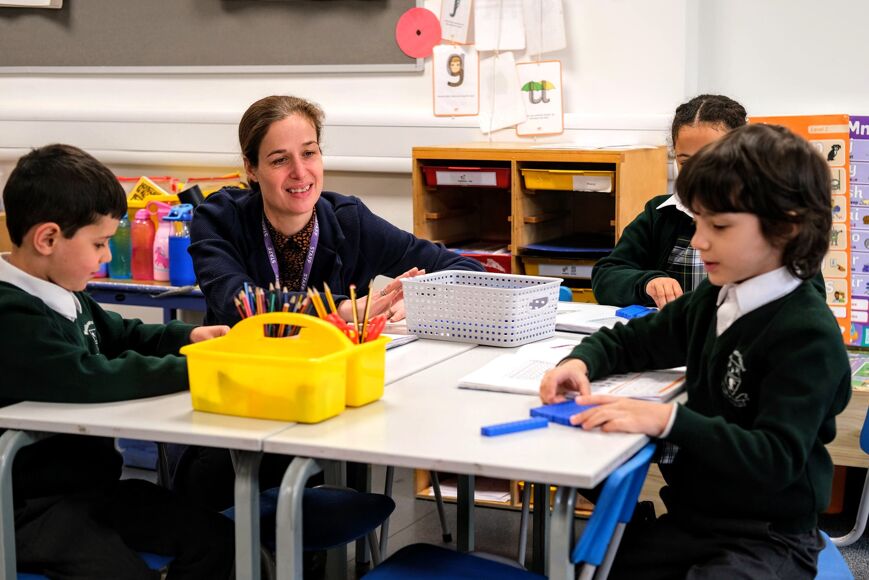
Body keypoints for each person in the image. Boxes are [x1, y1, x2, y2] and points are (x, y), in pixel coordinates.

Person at [540, 124, 850, 579]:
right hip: (696, 520)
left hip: (771, 536)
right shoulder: (717, 295)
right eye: (698, 220)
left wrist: (666, 420)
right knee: (588, 569)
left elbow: (775, 457)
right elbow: (635, 340)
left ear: (786, 227)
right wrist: (579, 361)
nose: (700, 240)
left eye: (718, 226)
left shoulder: (806, 334)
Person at [0, 144, 235, 579]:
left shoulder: (66, 295)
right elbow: (87, 377)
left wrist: (189, 338)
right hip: (26, 509)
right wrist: (196, 369)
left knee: (220, 542)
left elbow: (123, 334)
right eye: (100, 244)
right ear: (48, 239)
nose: (108, 257)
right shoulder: (10, 314)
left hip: (92, 493)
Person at [189, 94, 484, 327]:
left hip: (330, 372)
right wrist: (342, 309)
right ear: (251, 168)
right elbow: (239, 303)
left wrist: (422, 298)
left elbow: (468, 272)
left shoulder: (349, 220)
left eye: (309, 153)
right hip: (242, 370)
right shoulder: (218, 218)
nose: (300, 172)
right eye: (280, 160)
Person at [592, 94, 747, 308]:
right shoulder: (661, 214)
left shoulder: (764, 218)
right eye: (686, 162)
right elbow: (606, 276)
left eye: (712, 160)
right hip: (677, 326)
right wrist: (648, 283)